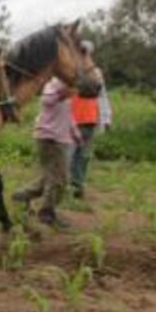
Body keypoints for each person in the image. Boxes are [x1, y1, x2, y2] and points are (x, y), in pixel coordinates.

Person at [12, 76, 81, 228]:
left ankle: (21, 195)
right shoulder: (54, 84)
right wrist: (62, 94)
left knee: (50, 177)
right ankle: (47, 213)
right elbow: (46, 100)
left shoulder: (68, 86)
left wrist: (75, 132)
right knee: (60, 179)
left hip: (61, 138)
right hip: (49, 138)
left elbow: (68, 113)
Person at [68, 41, 112, 198]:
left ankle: (77, 185)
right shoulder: (70, 70)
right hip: (72, 120)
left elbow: (103, 95)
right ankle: (64, 186)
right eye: (82, 52)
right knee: (69, 154)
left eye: (86, 52)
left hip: (91, 119)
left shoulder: (96, 73)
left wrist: (106, 117)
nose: (84, 55)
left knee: (84, 155)